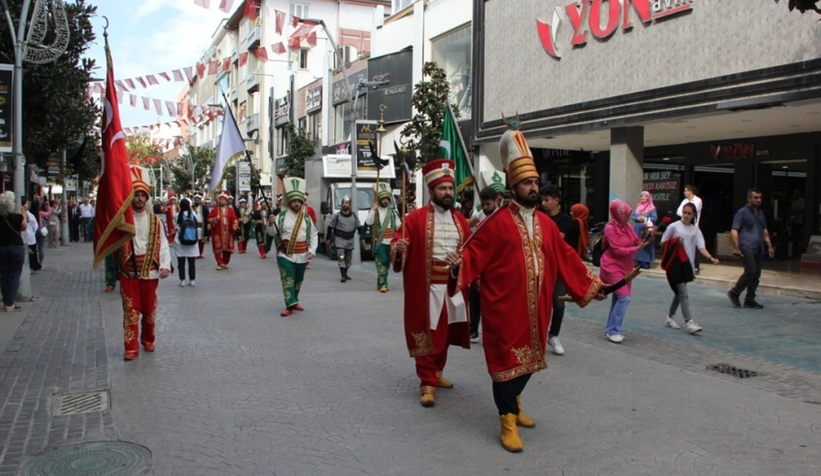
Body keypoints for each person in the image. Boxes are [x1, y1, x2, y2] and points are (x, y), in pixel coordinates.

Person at [445, 128, 604, 452]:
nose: (534, 187)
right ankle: (506, 419)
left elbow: (567, 257)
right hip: (504, 309)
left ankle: (515, 404)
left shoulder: (547, 224)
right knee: (505, 365)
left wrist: (592, 285)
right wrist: (458, 266)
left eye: (535, 182)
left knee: (531, 360)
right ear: (513, 185)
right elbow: (472, 254)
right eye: (527, 183)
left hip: (538, 308)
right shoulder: (495, 222)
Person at [391, 159, 471, 408]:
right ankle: (427, 382)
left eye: (450, 188)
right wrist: (398, 249)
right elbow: (397, 244)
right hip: (426, 289)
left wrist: (463, 261)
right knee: (427, 334)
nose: (447, 193)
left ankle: (437, 371)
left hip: (453, 286)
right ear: (431, 191)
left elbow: (471, 250)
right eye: (442, 189)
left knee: (446, 333)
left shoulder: (460, 220)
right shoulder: (414, 219)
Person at [117, 167, 171, 360]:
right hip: (129, 273)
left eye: (142, 195)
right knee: (130, 310)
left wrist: (165, 265)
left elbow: (163, 244)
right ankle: (131, 347)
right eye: (136, 195)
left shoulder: (155, 221)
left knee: (149, 310)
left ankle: (148, 339)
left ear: (146, 198)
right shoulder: (122, 221)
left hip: (150, 272)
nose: (139, 199)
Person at [661, 202, 718, 334]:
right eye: (684, 212)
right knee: (684, 294)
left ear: (693, 215)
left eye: (689, 213)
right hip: (676, 265)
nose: (686, 215)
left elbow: (701, 247)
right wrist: (675, 242)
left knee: (679, 293)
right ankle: (689, 322)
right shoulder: (673, 226)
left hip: (687, 265)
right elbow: (663, 243)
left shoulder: (695, 230)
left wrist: (711, 258)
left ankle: (669, 317)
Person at [600, 199, 650, 344]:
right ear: (619, 214)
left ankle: (610, 329)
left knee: (618, 298)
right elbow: (617, 249)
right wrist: (636, 249)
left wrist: (647, 236)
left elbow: (636, 241)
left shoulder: (627, 227)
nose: (629, 217)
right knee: (624, 297)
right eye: (627, 215)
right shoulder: (610, 228)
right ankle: (613, 330)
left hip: (626, 267)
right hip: (611, 266)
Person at [270, 177, 317, 316]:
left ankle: (294, 300)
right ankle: (289, 305)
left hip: (302, 255)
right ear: (289, 202)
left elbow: (314, 235)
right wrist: (270, 223)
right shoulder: (281, 216)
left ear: (302, 203)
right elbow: (271, 233)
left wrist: (312, 250)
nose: (296, 204)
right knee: (288, 279)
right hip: (285, 254)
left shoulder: (307, 218)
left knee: (298, 280)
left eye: (298, 201)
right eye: (294, 201)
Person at [539, 184, 574, 356]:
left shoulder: (565, 220)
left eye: (547, 200)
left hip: (559, 267)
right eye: (542, 200)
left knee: (559, 302)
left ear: (556, 200)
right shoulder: (538, 216)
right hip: (540, 265)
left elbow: (555, 240)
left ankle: (554, 335)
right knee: (539, 302)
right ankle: (537, 335)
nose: (543, 203)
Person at [466, 185, 502, 343]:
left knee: (493, 300)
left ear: (496, 201)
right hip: (480, 260)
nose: (485, 207)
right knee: (474, 295)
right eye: (483, 204)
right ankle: (473, 329)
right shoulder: (482, 213)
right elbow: (469, 223)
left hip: (495, 262)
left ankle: (494, 330)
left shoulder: (501, 216)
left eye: (488, 204)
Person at [727, 188, 774, 309]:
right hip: (746, 246)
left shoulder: (761, 214)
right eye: (755, 197)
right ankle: (735, 292)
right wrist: (737, 247)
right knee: (750, 271)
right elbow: (734, 230)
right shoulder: (742, 213)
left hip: (759, 247)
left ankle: (750, 299)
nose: (758, 200)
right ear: (749, 199)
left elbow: (764, 231)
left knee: (756, 274)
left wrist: (769, 246)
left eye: (760, 198)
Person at [366, 183, 401, 292]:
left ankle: (380, 282)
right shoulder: (375, 212)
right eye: (383, 199)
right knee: (381, 262)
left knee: (386, 264)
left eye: (387, 199)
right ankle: (383, 285)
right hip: (379, 242)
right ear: (379, 200)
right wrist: (373, 209)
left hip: (390, 243)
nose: (385, 201)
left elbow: (399, 226)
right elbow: (368, 222)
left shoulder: (393, 213)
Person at [0, 192, 27, 312]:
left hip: (1, 247)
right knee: (14, 275)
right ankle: (9, 303)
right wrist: (24, 211)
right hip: (16, 247)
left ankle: (6, 299)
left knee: (4, 275)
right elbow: (24, 227)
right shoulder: (17, 217)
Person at [327, 195, 361, 283]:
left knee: (348, 259)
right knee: (341, 257)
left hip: (350, 240)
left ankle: (345, 273)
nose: (344, 204)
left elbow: (359, 227)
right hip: (340, 240)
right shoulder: (337, 216)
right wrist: (328, 238)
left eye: (346, 203)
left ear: (349, 204)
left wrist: (362, 238)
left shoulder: (354, 216)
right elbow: (330, 227)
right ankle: (343, 276)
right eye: (343, 203)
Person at [208, 191, 239, 270]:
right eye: (220, 200)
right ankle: (219, 262)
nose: (221, 201)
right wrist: (215, 219)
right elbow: (209, 219)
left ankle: (225, 262)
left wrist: (234, 225)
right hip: (218, 232)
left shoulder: (230, 210)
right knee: (218, 247)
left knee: (228, 249)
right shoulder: (215, 210)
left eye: (223, 200)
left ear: (226, 201)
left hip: (228, 232)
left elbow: (234, 219)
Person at [676, 185, 703, 274]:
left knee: (695, 247)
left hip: (693, 226)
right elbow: (678, 211)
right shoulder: (684, 201)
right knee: (683, 245)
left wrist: (685, 213)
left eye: (685, 190)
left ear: (690, 192)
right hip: (683, 226)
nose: (684, 192)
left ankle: (696, 267)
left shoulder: (698, 200)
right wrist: (685, 214)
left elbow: (693, 210)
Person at [175, 197, 199, 287]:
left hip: (180, 241)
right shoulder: (193, 214)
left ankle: (182, 280)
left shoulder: (178, 215)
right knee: (191, 262)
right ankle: (192, 280)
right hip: (192, 241)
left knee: (181, 262)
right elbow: (197, 223)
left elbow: (175, 226)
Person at [632, 191, 658, 269]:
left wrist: (645, 218)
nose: (643, 197)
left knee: (646, 244)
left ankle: (645, 262)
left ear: (648, 197)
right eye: (642, 196)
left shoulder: (651, 208)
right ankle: (638, 261)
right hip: (637, 229)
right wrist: (637, 218)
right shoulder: (638, 206)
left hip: (646, 229)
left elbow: (655, 218)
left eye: (645, 196)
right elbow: (633, 216)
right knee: (637, 244)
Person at [23, 198, 41, 271]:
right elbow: (35, 225)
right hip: (30, 236)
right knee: (32, 252)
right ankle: (32, 265)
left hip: (25, 237)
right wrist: (33, 232)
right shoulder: (30, 215)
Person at [192, 194, 209, 258]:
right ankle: (195, 253)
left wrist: (208, 224)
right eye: (196, 200)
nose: (197, 201)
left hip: (202, 226)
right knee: (195, 240)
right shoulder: (191, 208)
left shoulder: (204, 208)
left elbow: (207, 217)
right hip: (194, 226)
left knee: (201, 241)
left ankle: (200, 253)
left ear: (200, 200)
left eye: (198, 200)